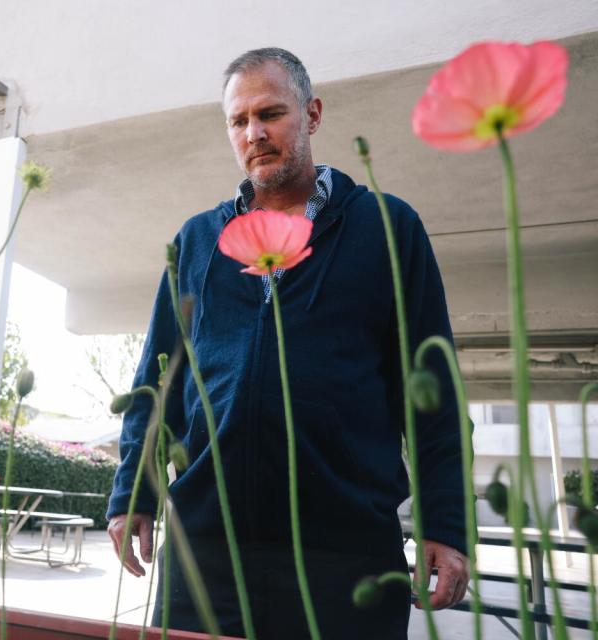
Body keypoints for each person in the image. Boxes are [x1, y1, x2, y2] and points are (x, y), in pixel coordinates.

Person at [106, 48, 469, 639]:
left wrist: (445, 521)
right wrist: (133, 491)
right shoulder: (197, 240)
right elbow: (158, 380)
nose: (255, 133)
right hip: (205, 551)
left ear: (313, 114)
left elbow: (434, 395)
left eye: (270, 113)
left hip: (345, 554)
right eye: (238, 121)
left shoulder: (387, 228)